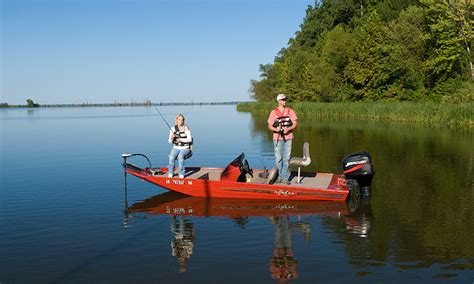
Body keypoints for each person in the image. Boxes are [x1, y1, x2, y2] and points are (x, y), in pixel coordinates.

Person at [267, 94, 298, 185]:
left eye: (285, 99)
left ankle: (285, 177)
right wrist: (275, 129)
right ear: (279, 101)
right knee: (278, 158)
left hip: (288, 138)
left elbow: (295, 123)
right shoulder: (273, 112)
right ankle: (279, 177)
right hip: (277, 138)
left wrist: (288, 129)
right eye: (283, 99)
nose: (285, 101)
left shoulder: (290, 111)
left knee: (287, 158)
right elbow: (269, 125)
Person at [168, 113, 192, 178]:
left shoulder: (186, 128)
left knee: (181, 156)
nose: (180, 121)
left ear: (183, 121)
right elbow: (169, 141)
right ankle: (171, 172)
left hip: (185, 148)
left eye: (182, 120)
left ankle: (181, 173)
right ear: (176, 120)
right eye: (179, 120)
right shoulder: (172, 129)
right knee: (171, 157)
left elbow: (189, 140)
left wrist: (180, 139)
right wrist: (172, 138)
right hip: (176, 147)